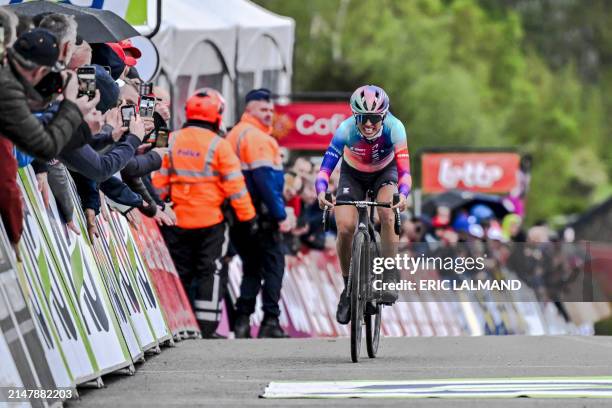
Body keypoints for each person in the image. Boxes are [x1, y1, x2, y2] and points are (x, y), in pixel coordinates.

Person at [152, 88, 256, 338]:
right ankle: (207, 329)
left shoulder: (167, 138)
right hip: (211, 223)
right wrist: (248, 219)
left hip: (175, 220)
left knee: (179, 272)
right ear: (218, 115)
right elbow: (236, 188)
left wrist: (158, 207)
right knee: (211, 271)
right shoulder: (220, 145)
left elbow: (158, 179)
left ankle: (180, 325)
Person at [315, 85, 411, 324]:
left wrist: (404, 194)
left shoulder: (395, 128)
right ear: (354, 115)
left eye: (374, 118)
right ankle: (348, 289)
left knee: (386, 214)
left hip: (384, 173)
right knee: (346, 227)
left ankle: (388, 271)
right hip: (353, 174)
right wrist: (320, 190)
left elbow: (405, 172)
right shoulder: (345, 129)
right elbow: (325, 168)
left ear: (384, 115)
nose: (368, 124)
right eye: (362, 118)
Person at [226, 88, 293, 339]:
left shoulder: (235, 134)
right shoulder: (257, 138)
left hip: (239, 215)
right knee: (274, 265)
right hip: (261, 215)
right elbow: (264, 180)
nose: (268, 115)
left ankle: (242, 319)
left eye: (271, 110)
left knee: (252, 267)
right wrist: (280, 214)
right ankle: (270, 320)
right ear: (249, 110)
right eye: (263, 110)